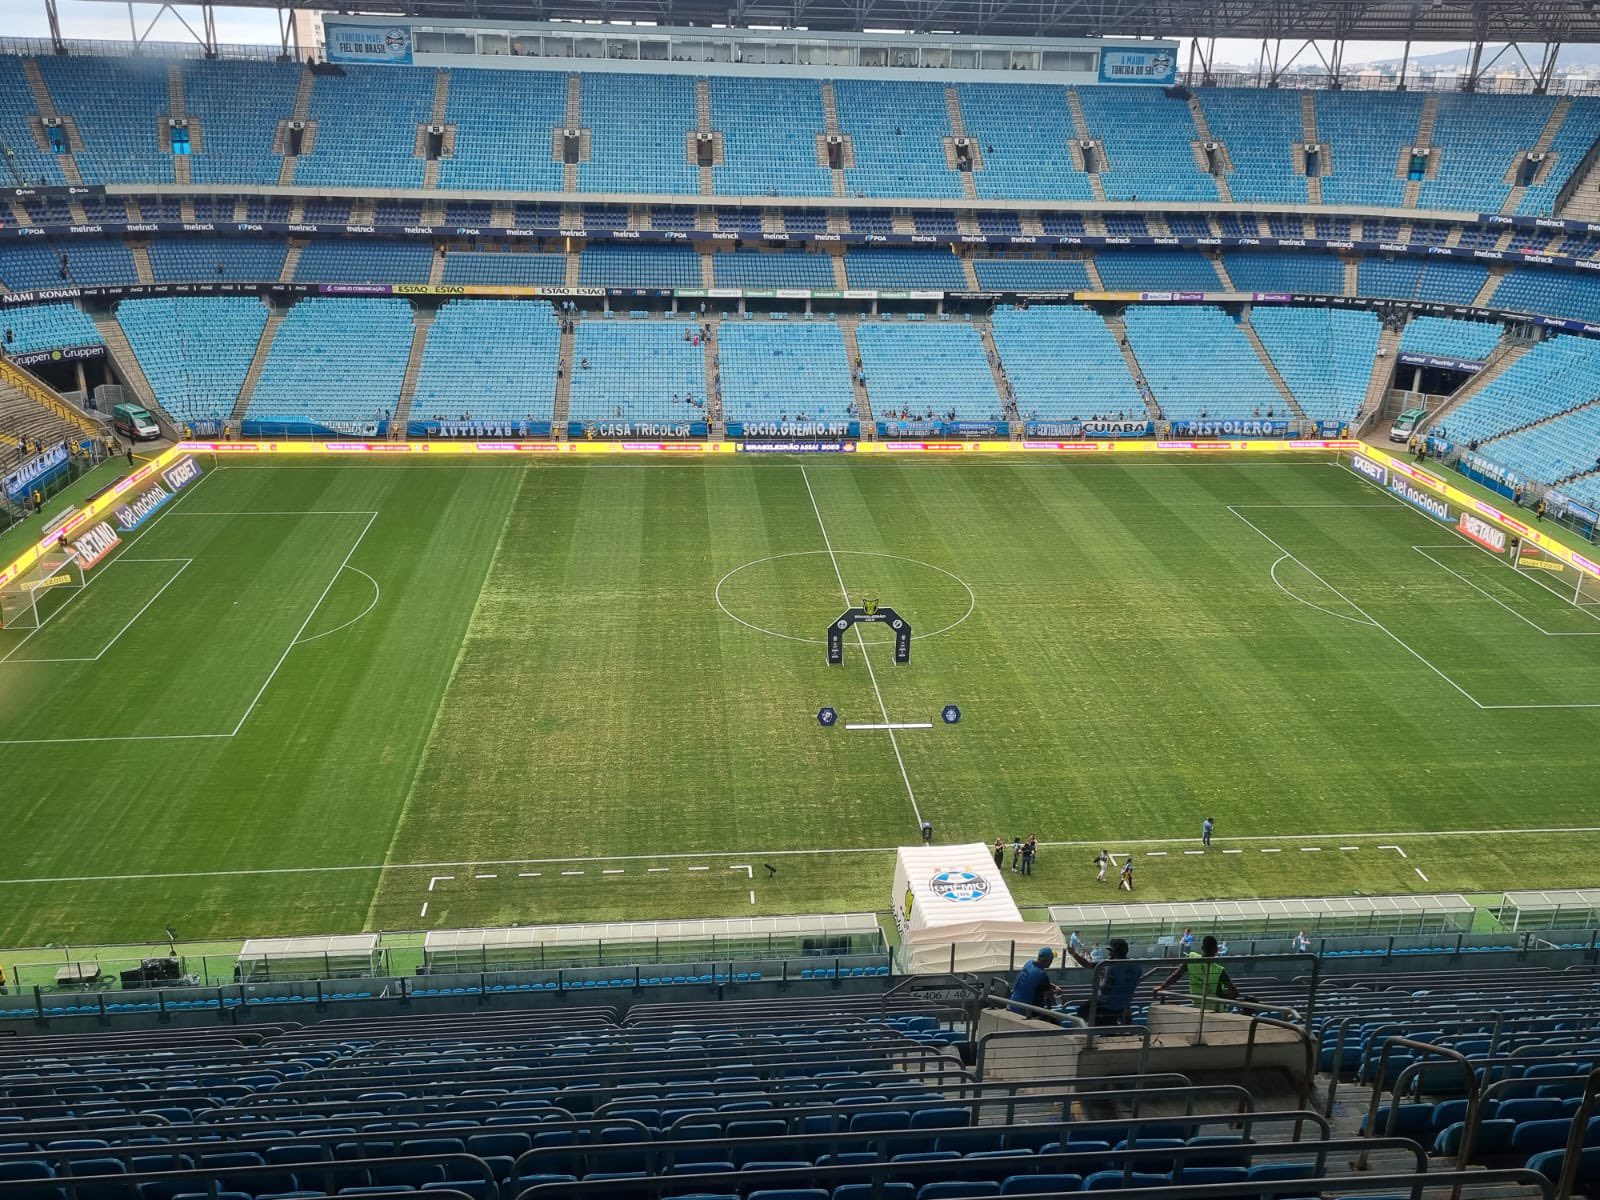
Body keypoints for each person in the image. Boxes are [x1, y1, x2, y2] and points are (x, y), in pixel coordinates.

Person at [1066, 936, 1139, 1025]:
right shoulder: (1136, 966)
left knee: (1082, 1011)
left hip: (1107, 1005)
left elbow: (1104, 989)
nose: (1109, 954)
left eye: (1111, 951)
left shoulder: (1109, 965)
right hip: (1124, 1005)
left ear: (1114, 952)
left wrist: (1074, 953)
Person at [1161, 935, 1240, 1012]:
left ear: (1202, 948)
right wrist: (1222, 997)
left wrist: (1162, 987)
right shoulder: (1219, 970)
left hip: (1198, 1007)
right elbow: (1234, 993)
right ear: (1216, 950)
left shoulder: (1191, 958)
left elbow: (1176, 975)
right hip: (1217, 1010)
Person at [1009, 947, 1056, 1015]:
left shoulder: (1029, 963)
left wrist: (1053, 986)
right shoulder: (1043, 975)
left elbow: (1032, 979)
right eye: (1051, 959)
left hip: (1013, 1003)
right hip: (1024, 1010)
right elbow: (1049, 995)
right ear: (1048, 961)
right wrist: (1055, 992)